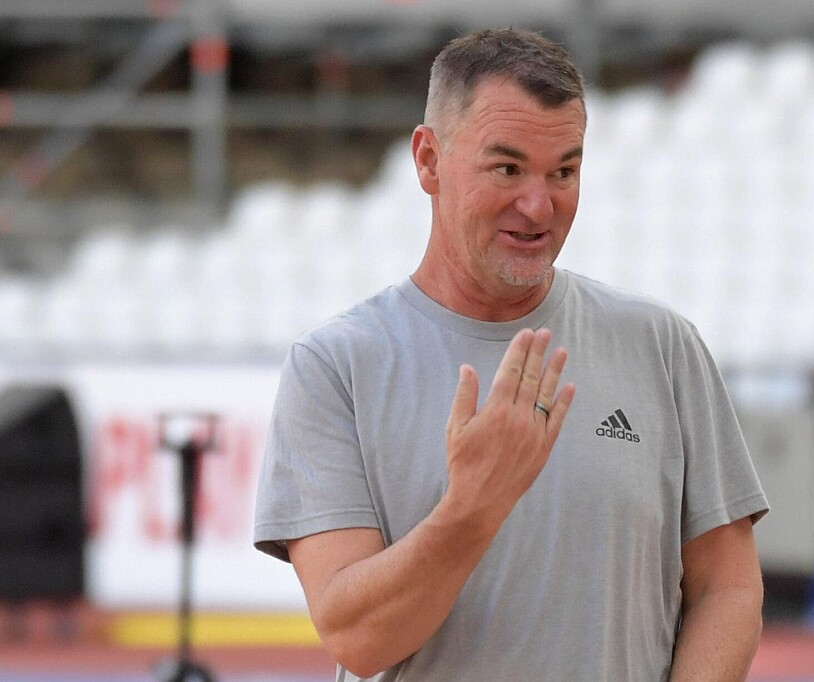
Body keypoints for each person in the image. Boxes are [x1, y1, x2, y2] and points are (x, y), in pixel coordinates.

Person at [254, 28, 769, 682]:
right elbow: (357, 638)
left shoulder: (663, 345)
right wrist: (475, 504)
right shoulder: (334, 368)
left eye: (564, 172)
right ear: (428, 161)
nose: (538, 205)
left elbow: (727, 587)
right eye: (507, 169)